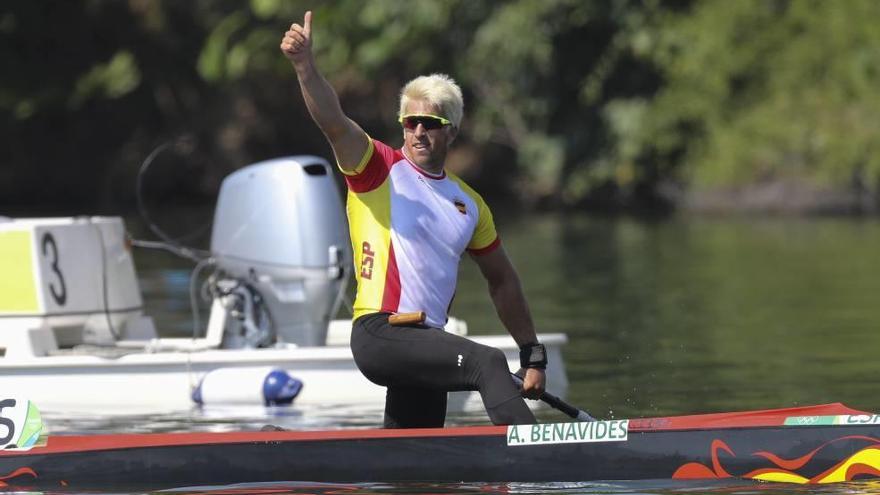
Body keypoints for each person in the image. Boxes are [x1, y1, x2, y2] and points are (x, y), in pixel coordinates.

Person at [280, 11, 548, 428]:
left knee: (414, 456)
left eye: (431, 123)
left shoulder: (470, 204)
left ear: (452, 131)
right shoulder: (377, 168)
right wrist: (304, 67)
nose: (419, 131)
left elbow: (502, 279)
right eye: (411, 122)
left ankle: (301, 459)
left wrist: (532, 352)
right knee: (487, 362)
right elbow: (333, 122)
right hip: (381, 332)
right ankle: (543, 464)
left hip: (426, 341)